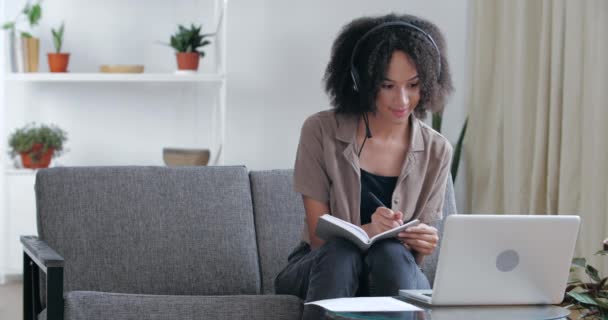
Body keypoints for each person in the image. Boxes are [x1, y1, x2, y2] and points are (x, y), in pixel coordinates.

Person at [275, 13, 454, 317]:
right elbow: (320, 237)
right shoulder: (320, 131)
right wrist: (368, 229)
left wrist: (423, 242)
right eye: (387, 85)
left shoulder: (437, 150)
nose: (402, 100)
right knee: (341, 254)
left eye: (412, 85)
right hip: (321, 265)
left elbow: (413, 257)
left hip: (392, 268)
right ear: (361, 82)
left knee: (393, 254)